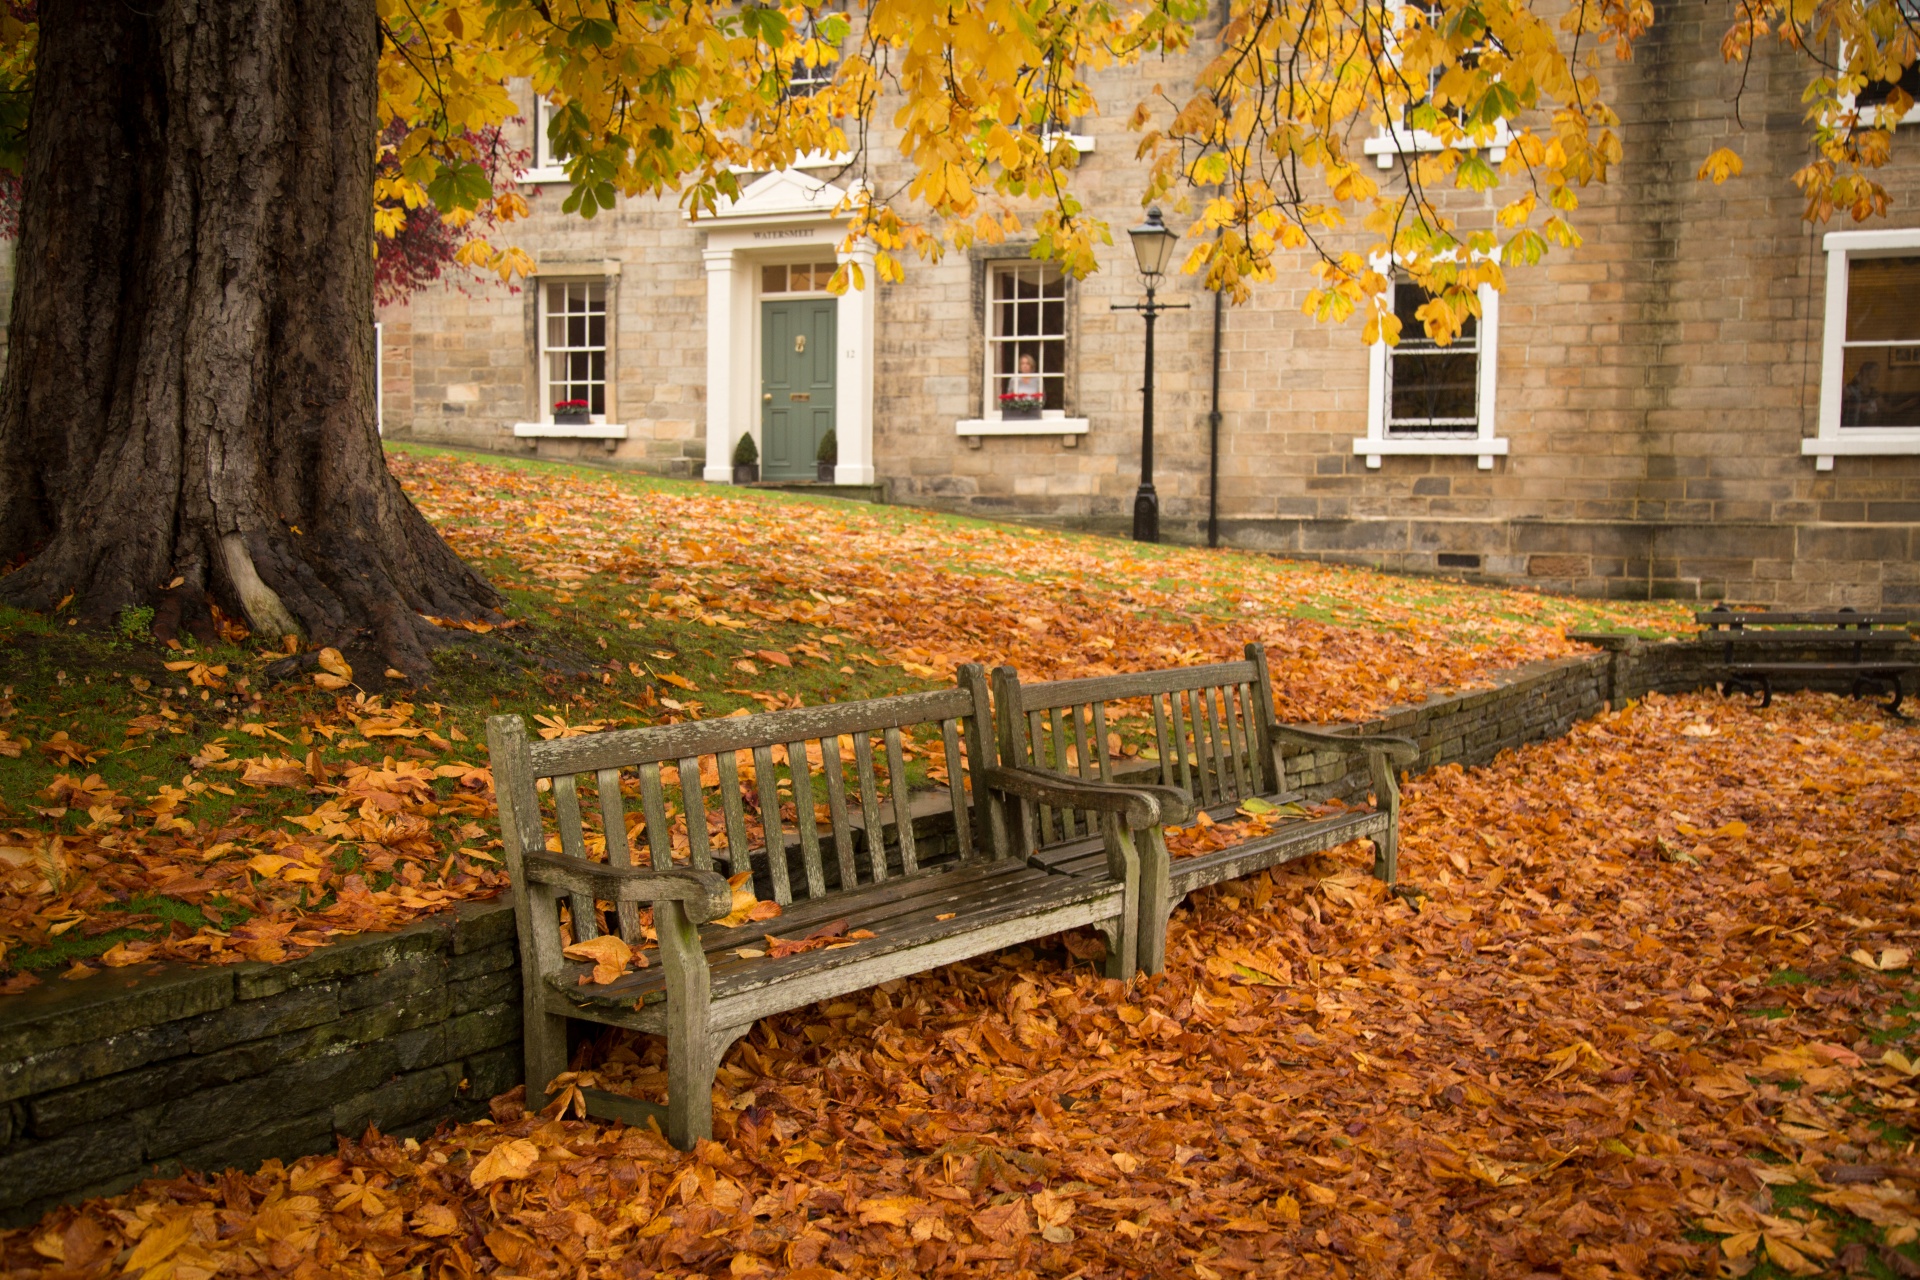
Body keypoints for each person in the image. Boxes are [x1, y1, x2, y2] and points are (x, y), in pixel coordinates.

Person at [1842, 360, 1883, 427]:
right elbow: (1841, 406)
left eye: (1878, 372)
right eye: (1875, 371)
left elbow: (1887, 409)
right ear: (1865, 371)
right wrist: (1861, 406)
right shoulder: (1851, 388)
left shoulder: (1874, 392)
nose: (1877, 374)